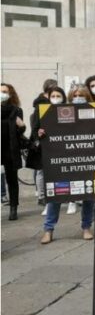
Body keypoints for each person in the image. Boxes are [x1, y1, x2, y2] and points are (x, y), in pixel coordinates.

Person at [39, 86, 95, 243]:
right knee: (55, 195)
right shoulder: (54, 114)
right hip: (62, 162)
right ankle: (48, 229)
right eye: (75, 95)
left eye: (81, 95)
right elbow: (41, 135)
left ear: (87, 97)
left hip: (88, 162)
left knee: (89, 195)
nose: (78, 97)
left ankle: (86, 227)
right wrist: (41, 133)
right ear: (70, 98)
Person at [27, 79, 58, 205]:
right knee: (41, 170)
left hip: (54, 140)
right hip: (42, 140)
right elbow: (35, 125)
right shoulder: (40, 105)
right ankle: (41, 196)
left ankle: (48, 194)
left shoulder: (55, 101)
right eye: (54, 87)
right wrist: (37, 138)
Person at [1, 83, 26, 221]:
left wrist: (22, 126)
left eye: (5, 92)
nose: (2, 94)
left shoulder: (16, 110)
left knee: (12, 180)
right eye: (0, 92)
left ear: (10, 94)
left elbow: (19, 132)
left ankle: (13, 207)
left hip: (10, 149)